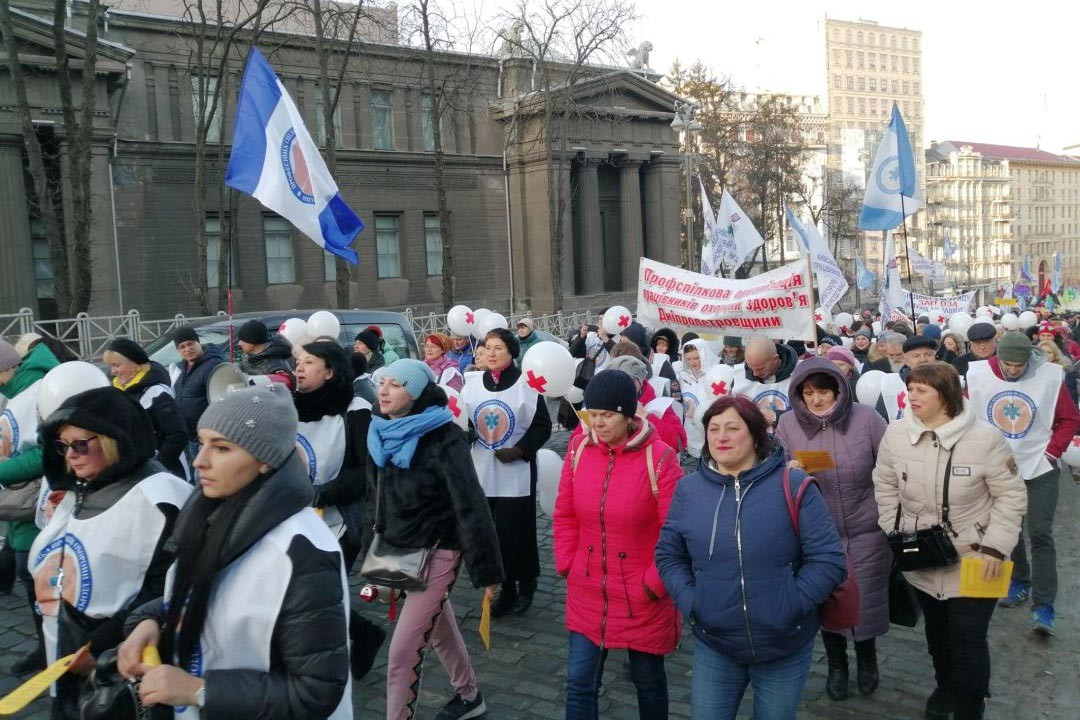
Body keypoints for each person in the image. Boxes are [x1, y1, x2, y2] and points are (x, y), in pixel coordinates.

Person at [117, 385, 352, 720]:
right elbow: (213, 596)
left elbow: (316, 690)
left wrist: (199, 690)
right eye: (202, 443)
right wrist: (151, 620)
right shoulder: (213, 512)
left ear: (265, 462)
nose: (199, 461)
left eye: (222, 448)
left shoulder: (302, 553)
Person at [656, 395, 846, 720]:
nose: (721, 437)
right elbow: (669, 555)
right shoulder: (689, 490)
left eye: (732, 428)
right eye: (713, 429)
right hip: (716, 643)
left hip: (784, 643)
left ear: (756, 435)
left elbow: (828, 560)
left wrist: (792, 604)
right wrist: (693, 601)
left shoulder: (794, 485)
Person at [873, 362, 1027, 720]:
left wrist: (995, 547)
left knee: (968, 638)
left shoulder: (986, 439)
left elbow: (1011, 497)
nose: (911, 396)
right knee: (938, 637)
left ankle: (970, 705)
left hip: (978, 559)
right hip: (922, 557)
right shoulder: (896, 435)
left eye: (921, 390)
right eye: (910, 389)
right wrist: (894, 527)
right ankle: (944, 687)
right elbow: (884, 484)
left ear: (946, 395)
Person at [31, 387, 191, 719]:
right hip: (71, 650)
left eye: (80, 444)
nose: (70, 455)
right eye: (62, 446)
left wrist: (101, 645)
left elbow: (168, 587)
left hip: (123, 656)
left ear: (114, 441)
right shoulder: (83, 486)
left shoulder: (161, 498)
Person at [366, 360, 504, 720]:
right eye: (382, 383)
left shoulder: (445, 437)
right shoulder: (380, 431)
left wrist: (488, 573)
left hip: (439, 550)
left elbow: (471, 504)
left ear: (414, 393)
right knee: (439, 627)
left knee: (400, 656)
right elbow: (379, 497)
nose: (384, 391)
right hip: (400, 549)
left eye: (395, 385)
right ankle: (470, 694)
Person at [554, 369, 683, 720]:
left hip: (640, 593)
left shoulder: (659, 458)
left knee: (647, 680)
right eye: (592, 414)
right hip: (587, 586)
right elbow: (564, 512)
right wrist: (567, 560)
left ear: (628, 415)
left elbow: (677, 532)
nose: (597, 423)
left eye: (607, 415)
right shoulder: (578, 448)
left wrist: (653, 584)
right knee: (579, 683)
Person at [775, 359, 890, 701]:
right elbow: (774, 470)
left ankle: (867, 659)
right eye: (808, 393)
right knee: (828, 601)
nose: (816, 400)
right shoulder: (788, 425)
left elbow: (890, 465)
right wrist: (788, 471)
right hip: (817, 534)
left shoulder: (867, 419)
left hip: (866, 526)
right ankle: (837, 665)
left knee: (865, 600)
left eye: (823, 391)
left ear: (839, 389)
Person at [966, 332, 1080, 636]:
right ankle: (1019, 581)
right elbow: (965, 415)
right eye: (1008, 364)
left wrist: (1052, 451)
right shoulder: (977, 374)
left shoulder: (1050, 376)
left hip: (1040, 466)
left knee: (1040, 532)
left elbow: (1070, 418)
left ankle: (1044, 606)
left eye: (1019, 365)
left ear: (1029, 359)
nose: (1013, 370)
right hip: (998, 468)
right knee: (1008, 528)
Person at [463, 328, 551, 617]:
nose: (490, 353)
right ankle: (505, 589)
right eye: (487, 347)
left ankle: (526, 583)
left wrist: (521, 451)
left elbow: (542, 427)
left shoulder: (528, 384)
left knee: (517, 532)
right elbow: (463, 420)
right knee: (492, 534)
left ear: (511, 352)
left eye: (498, 348)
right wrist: (465, 434)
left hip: (516, 472)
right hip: (483, 470)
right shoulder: (472, 383)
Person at [0, 339, 58, 675]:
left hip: (40, 500)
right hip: (22, 502)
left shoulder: (38, 390)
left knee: (38, 575)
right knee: (27, 572)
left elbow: (44, 452)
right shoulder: (17, 392)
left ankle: (54, 647)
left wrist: (3, 468)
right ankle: (45, 645)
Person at [103, 338, 188, 477]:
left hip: (166, 473)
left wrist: (157, 467)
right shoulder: (118, 390)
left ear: (135, 364)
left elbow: (178, 436)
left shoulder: (156, 392)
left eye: (117, 365)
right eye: (111, 366)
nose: (113, 371)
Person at [600, 351, 687, 454]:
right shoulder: (601, 402)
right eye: (613, 382)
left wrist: (646, 416)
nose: (620, 387)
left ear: (640, 382)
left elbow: (679, 443)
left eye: (628, 380)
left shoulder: (656, 406)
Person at [172, 326, 225, 462]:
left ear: (198, 342)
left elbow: (222, 402)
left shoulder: (213, 365)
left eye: (190, 344)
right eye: (182, 347)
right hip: (188, 436)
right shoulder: (181, 367)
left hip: (205, 438)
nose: (187, 349)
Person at [733, 336, 800, 427]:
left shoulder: (801, 372)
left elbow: (812, 414)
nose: (755, 374)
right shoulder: (738, 377)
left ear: (775, 359)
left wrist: (777, 417)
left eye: (760, 369)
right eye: (750, 368)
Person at [876, 336, 939, 424]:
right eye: (916, 356)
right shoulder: (891, 384)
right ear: (906, 360)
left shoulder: (949, 381)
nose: (923, 360)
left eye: (928, 355)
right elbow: (880, 422)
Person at [677, 340, 719, 467]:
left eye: (696, 358)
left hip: (708, 437)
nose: (692, 362)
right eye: (688, 359)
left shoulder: (714, 377)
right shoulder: (683, 377)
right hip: (689, 435)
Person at [237, 319, 296, 389]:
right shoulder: (249, 357)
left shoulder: (276, 367)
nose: (239, 343)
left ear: (253, 342)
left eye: (242, 340)